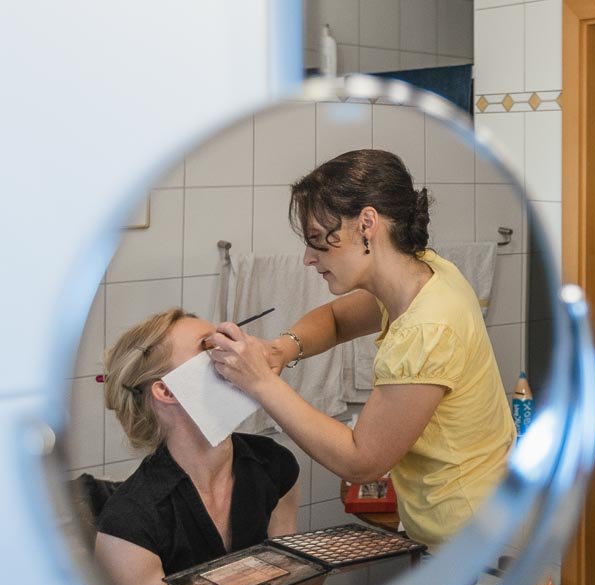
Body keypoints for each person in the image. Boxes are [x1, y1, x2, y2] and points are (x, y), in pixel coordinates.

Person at [206, 149, 515, 548]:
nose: (307, 258)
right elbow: (336, 321)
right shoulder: (424, 273)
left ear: (367, 224)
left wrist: (262, 383)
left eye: (318, 240)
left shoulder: (427, 328)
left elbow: (361, 461)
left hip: (472, 536)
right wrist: (281, 351)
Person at [94, 309, 323, 585]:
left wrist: (319, 563)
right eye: (209, 348)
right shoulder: (129, 522)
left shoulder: (274, 466)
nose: (239, 352)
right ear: (167, 392)